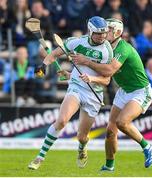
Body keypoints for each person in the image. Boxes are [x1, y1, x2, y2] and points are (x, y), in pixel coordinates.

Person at [28, 16, 113, 170]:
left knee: (82, 137)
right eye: (99, 33)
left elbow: (106, 80)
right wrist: (43, 65)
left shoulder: (107, 51)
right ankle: (40, 156)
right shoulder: (76, 42)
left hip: (94, 94)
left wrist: (91, 77)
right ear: (90, 31)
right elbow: (53, 55)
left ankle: (82, 148)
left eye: (105, 33)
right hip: (76, 87)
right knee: (61, 121)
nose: (102, 36)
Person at [72, 18, 152, 171]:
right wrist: (70, 73)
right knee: (110, 130)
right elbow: (96, 70)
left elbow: (109, 71)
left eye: (108, 30)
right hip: (123, 91)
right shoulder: (104, 48)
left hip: (140, 91)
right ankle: (109, 166)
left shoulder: (123, 48)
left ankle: (147, 146)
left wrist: (87, 62)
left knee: (122, 122)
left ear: (117, 33)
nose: (104, 33)